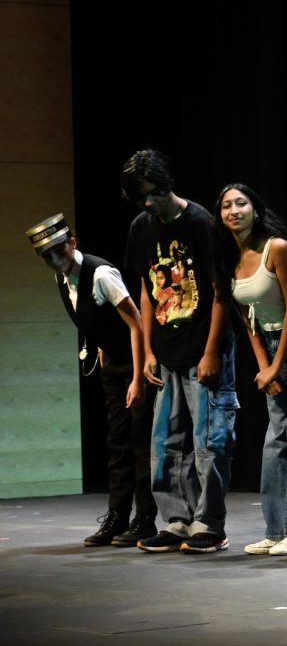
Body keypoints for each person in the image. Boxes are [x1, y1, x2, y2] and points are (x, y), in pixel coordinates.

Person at [120, 149, 238, 554]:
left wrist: (211, 352)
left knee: (209, 441)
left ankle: (210, 523)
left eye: (153, 194)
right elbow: (148, 291)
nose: (148, 204)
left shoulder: (201, 223)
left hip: (203, 348)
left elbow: (222, 292)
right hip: (167, 351)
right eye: (141, 199)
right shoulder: (142, 226)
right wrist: (149, 349)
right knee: (165, 442)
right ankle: (177, 520)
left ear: (167, 185)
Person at [25, 214, 157, 548]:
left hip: (135, 365)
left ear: (73, 241)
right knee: (117, 444)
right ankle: (117, 516)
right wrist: (100, 344)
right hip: (113, 366)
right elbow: (94, 316)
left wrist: (139, 378)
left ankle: (145, 519)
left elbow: (136, 322)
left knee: (140, 443)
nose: (54, 259)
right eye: (47, 256)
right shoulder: (62, 278)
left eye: (58, 250)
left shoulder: (100, 273)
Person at [213, 184, 287, 556]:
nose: (234, 210)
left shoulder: (275, 248)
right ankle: (277, 529)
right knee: (274, 440)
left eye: (241, 203)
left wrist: (278, 364)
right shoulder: (228, 257)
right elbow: (247, 318)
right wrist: (265, 368)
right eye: (227, 206)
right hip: (268, 341)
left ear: (255, 210)